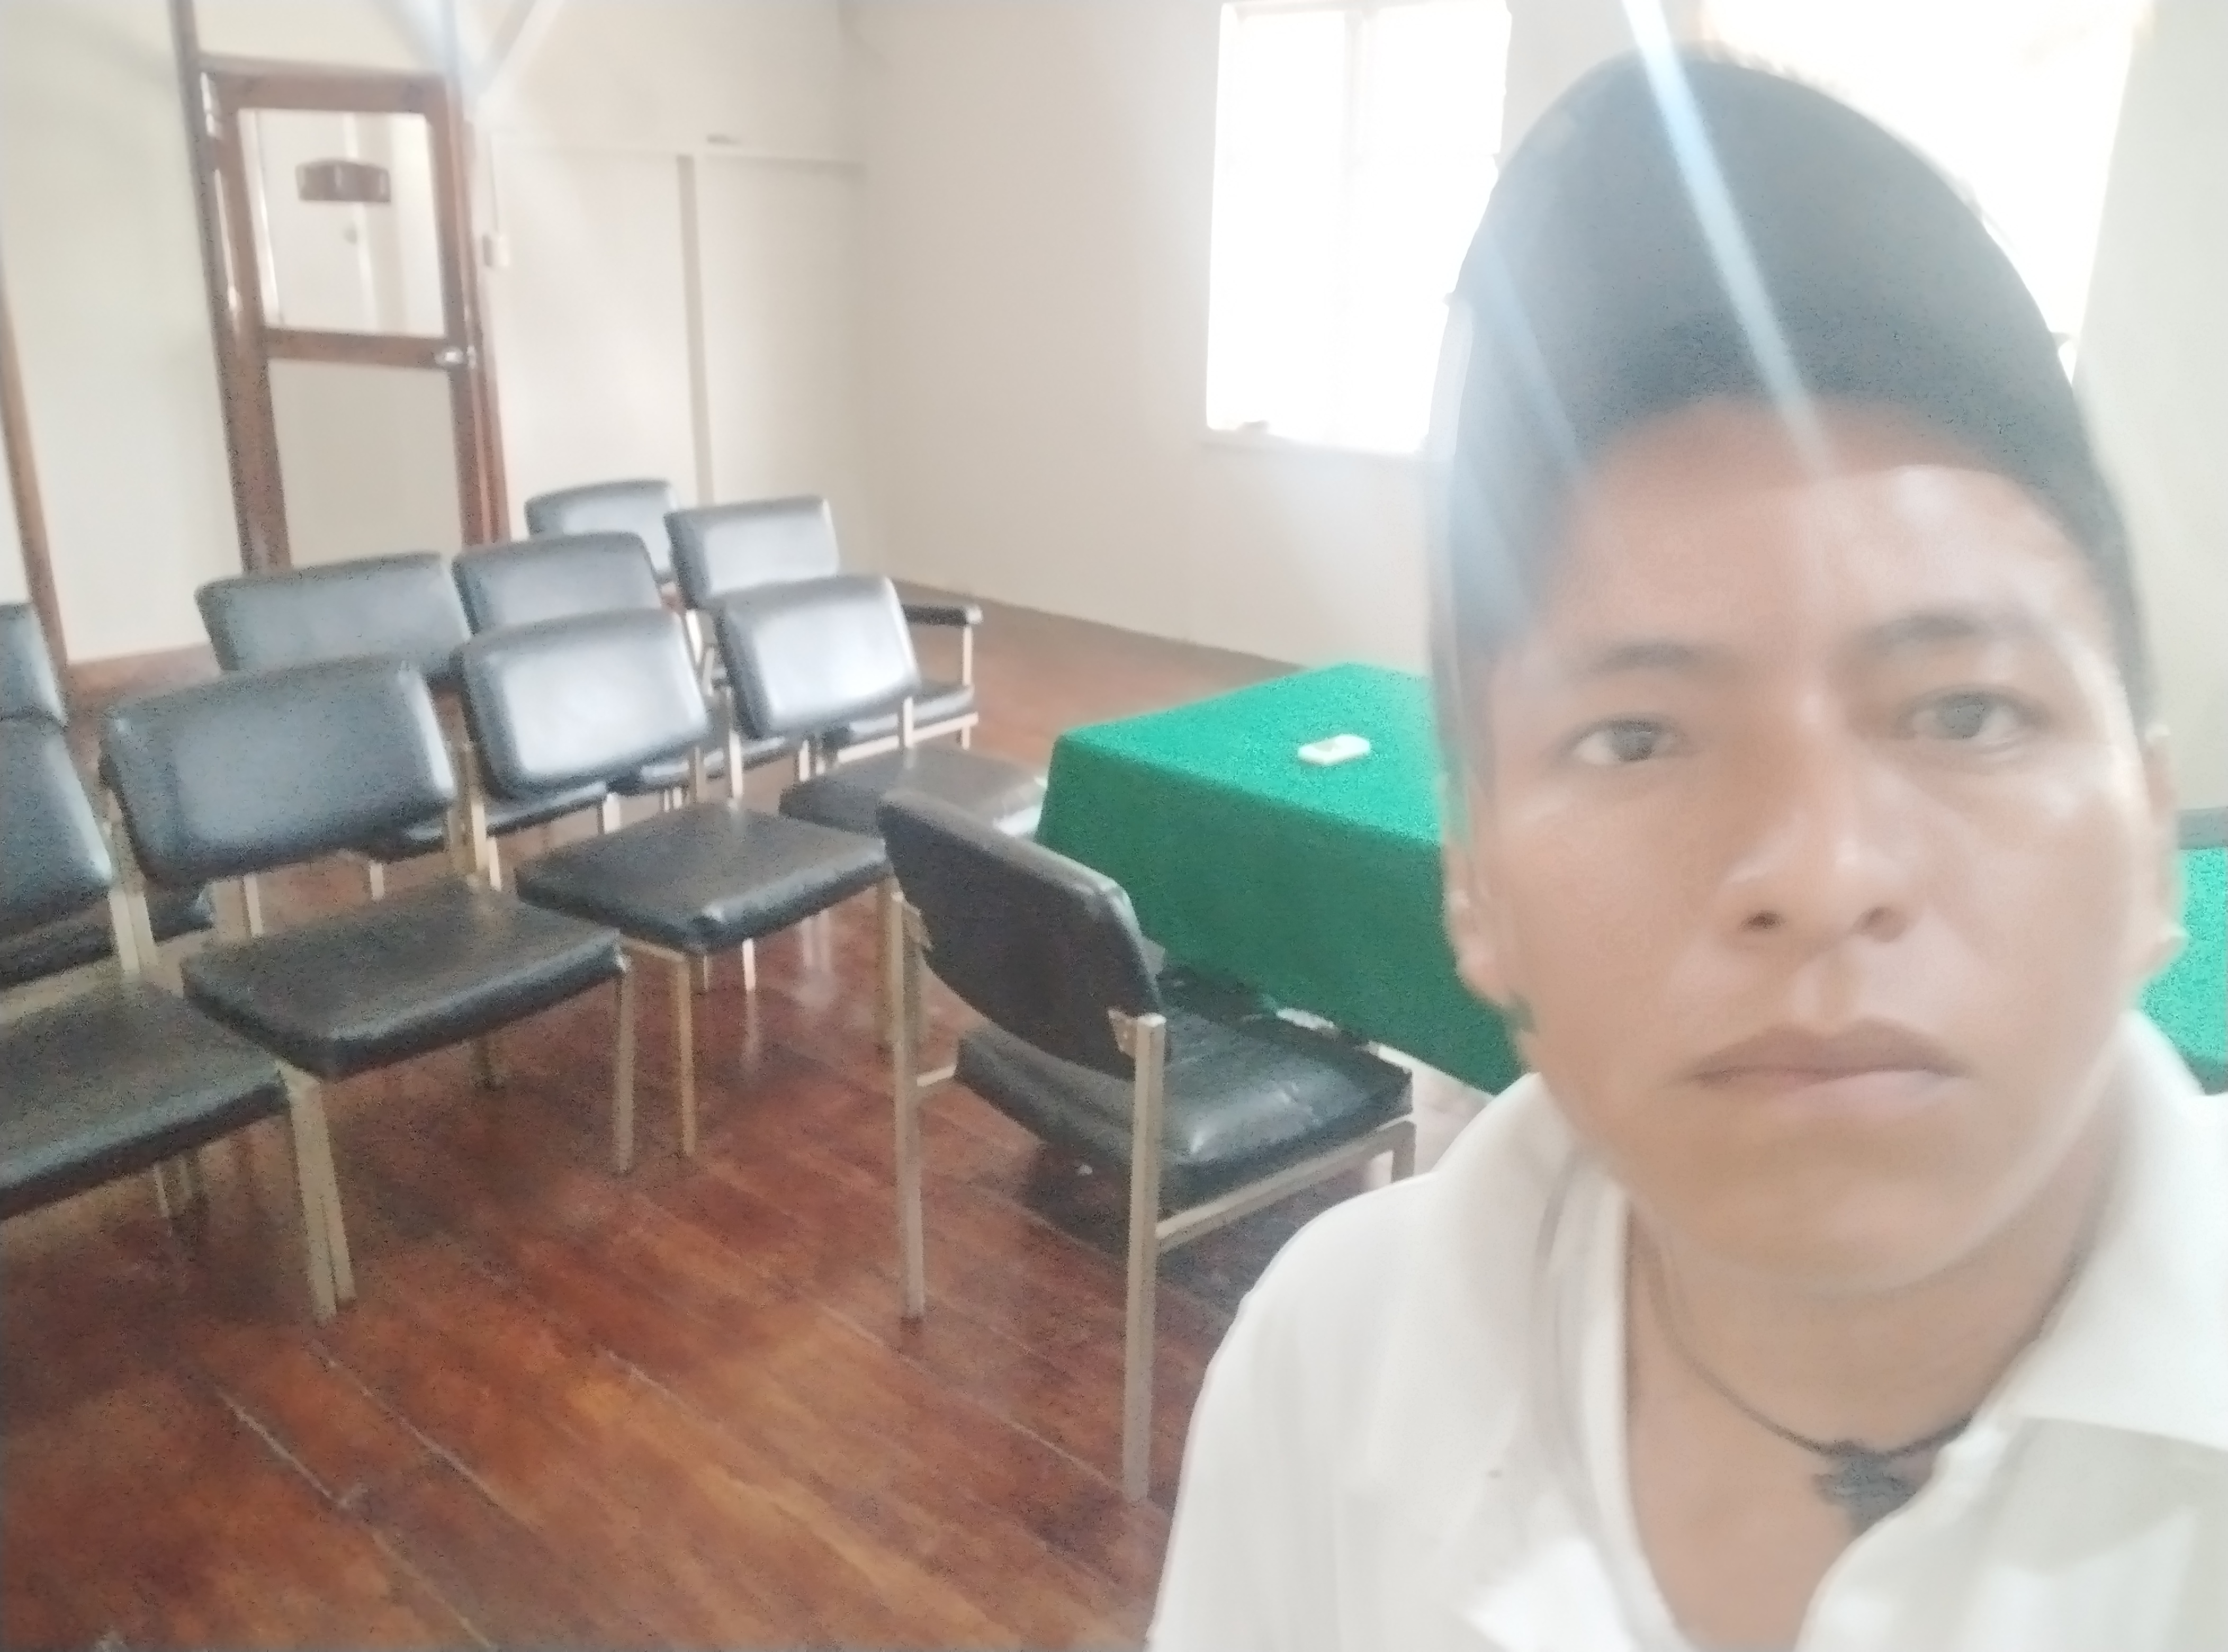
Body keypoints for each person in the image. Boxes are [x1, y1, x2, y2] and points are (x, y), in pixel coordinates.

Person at [1149, 49, 2222, 1652]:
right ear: (1476, 883)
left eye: (1968, 712)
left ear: (2151, 845)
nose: (1824, 871)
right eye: (1637, 738)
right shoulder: (1326, 1366)